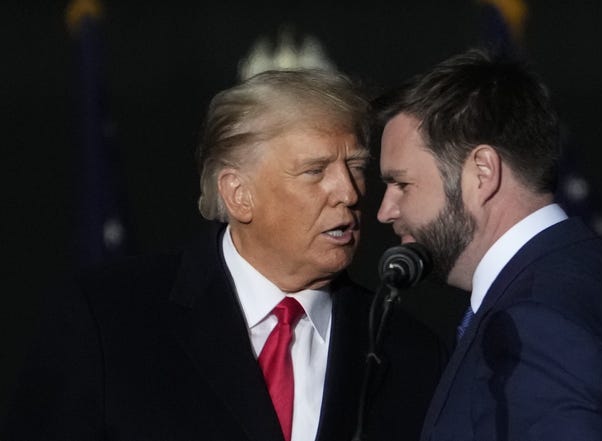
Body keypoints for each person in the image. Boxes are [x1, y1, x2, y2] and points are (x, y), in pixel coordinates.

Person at [3, 69, 442, 441]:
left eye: (357, 168)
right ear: (238, 194)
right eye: (315, 171)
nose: (349, 193)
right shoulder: (107, 318)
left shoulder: (410, 352)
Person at [374, 47, 602, 441]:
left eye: (401, 183)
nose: (385, 210)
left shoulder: (539, 318)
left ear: (483, 172)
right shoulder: (594, 274)